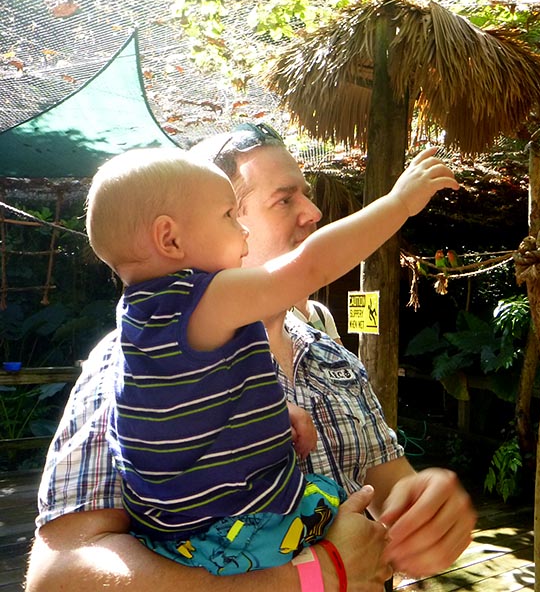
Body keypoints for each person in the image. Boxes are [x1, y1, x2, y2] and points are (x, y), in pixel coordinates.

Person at [26, 124, 476, 591]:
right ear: (173, 239)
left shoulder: (328, 354)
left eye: (305, 194)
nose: (314, 212)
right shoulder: (124, 365)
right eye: (283, 200)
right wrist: (309, 579)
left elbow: (390, 491)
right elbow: (59, 578)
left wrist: (427, 511)